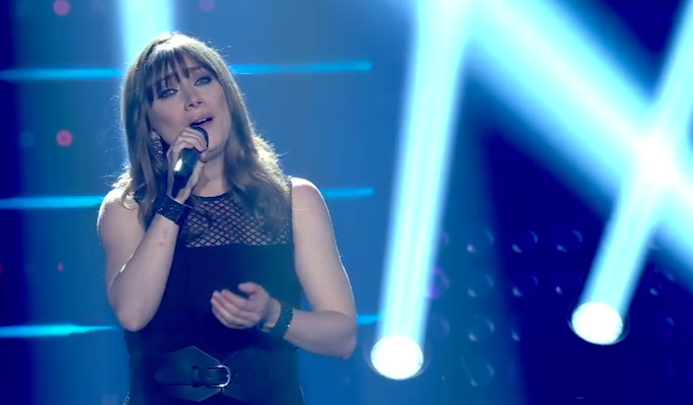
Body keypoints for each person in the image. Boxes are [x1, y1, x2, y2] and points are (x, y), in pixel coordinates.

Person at [97, 32, 357, 405]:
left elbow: (343, 336)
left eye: (203, 80)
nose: (193, 99)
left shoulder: (295, 201)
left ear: (228, 97)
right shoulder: (128, 209)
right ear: (149, 123)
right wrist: (174, 200)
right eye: (169, 92)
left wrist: (272, 315)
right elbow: (133, 313)